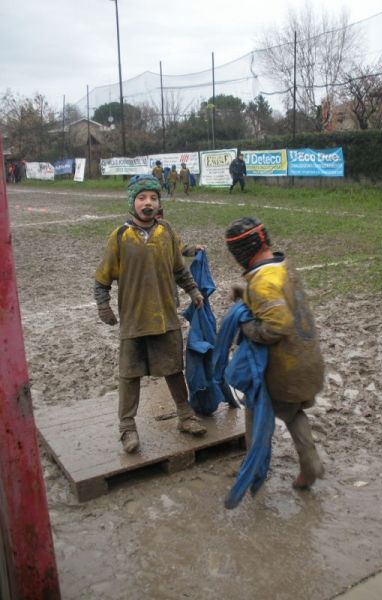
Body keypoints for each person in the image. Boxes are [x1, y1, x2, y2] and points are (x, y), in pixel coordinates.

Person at [94, 175, 207, 453]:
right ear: (132, 202)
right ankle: (127, 428)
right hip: (133, 320)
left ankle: (186, 416)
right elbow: (102, 277)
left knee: (173, 369)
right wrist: (103, 304)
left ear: (159, 203)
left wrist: (193, 291)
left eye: (153, 198)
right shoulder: (120, 236)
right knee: (129, 375)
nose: (148, 203)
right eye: (142, 198)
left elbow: (179, 269)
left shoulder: (166, 231)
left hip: (165, 316)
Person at [225, 216, 325, 490]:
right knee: (293, 413)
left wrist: (246, 326)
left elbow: (275, 324)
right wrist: (246, 295)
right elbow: (276, 301)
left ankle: (253, 464)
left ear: (241, 252)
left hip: (284, 367)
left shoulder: (263, 282)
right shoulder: (282, 266)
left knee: (254, 408)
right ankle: (310, 464)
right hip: (307, 358)